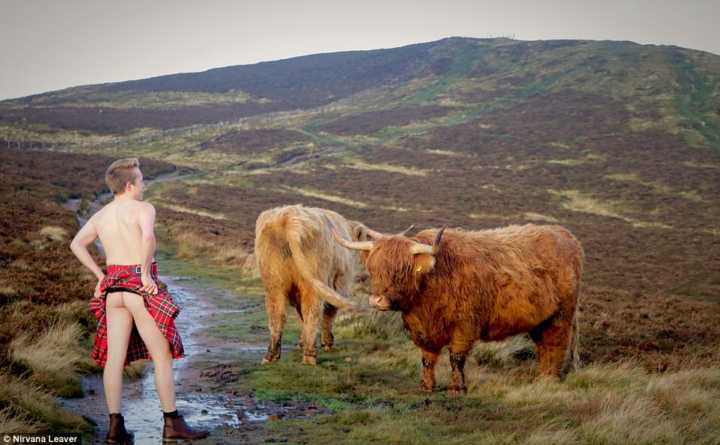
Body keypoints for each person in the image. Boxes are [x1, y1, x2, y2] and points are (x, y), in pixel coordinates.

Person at [70, 157, 209, 443]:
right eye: (142, 180)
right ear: (130, 185)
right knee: (162, 356)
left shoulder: (101, 215)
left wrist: (100, 276)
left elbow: (76, 244)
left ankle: (115, 429)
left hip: (113, 289)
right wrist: (145, 272)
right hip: (138, 288)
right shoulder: (144, 208)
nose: (144, 185)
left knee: (114, 360)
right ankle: (172, 424)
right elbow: (148, 239)